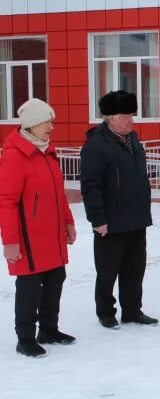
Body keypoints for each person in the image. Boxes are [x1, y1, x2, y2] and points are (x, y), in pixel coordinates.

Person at [0, 99, 76, 357]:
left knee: (56, 280)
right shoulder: (14, 156)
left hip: (52, 235)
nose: (51, 127)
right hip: (28, 240)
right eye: (47, 121)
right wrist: (9, 242)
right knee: (29, 289)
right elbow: (6, 202)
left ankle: (49, 330)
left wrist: (68, 222)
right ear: (31, 124)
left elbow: (58, 194)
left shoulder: (48, 152)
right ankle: (25, 338)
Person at [80, 90, 158, 329]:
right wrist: (98, 219)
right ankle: (106, 312)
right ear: (109, 118)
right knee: (107, 271)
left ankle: (132, 310)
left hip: (136, 217)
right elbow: (90, 186)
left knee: (134, 270)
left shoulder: (133, 140)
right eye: (124, 115)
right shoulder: (96, 146)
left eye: (131, 115)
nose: (130, 120)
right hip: (111, 221)